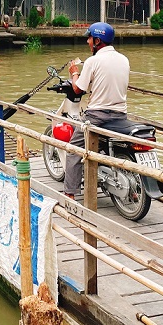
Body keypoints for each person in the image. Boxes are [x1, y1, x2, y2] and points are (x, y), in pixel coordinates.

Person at [63, 21, 130, 200]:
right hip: (121, 115)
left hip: (97, 116)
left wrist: (74, 72)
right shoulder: (124, 59)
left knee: (72, 148)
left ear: (98, 41)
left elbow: (78, 89)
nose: (88, 42)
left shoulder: (93, 61)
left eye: (90, 38)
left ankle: (70, 193)